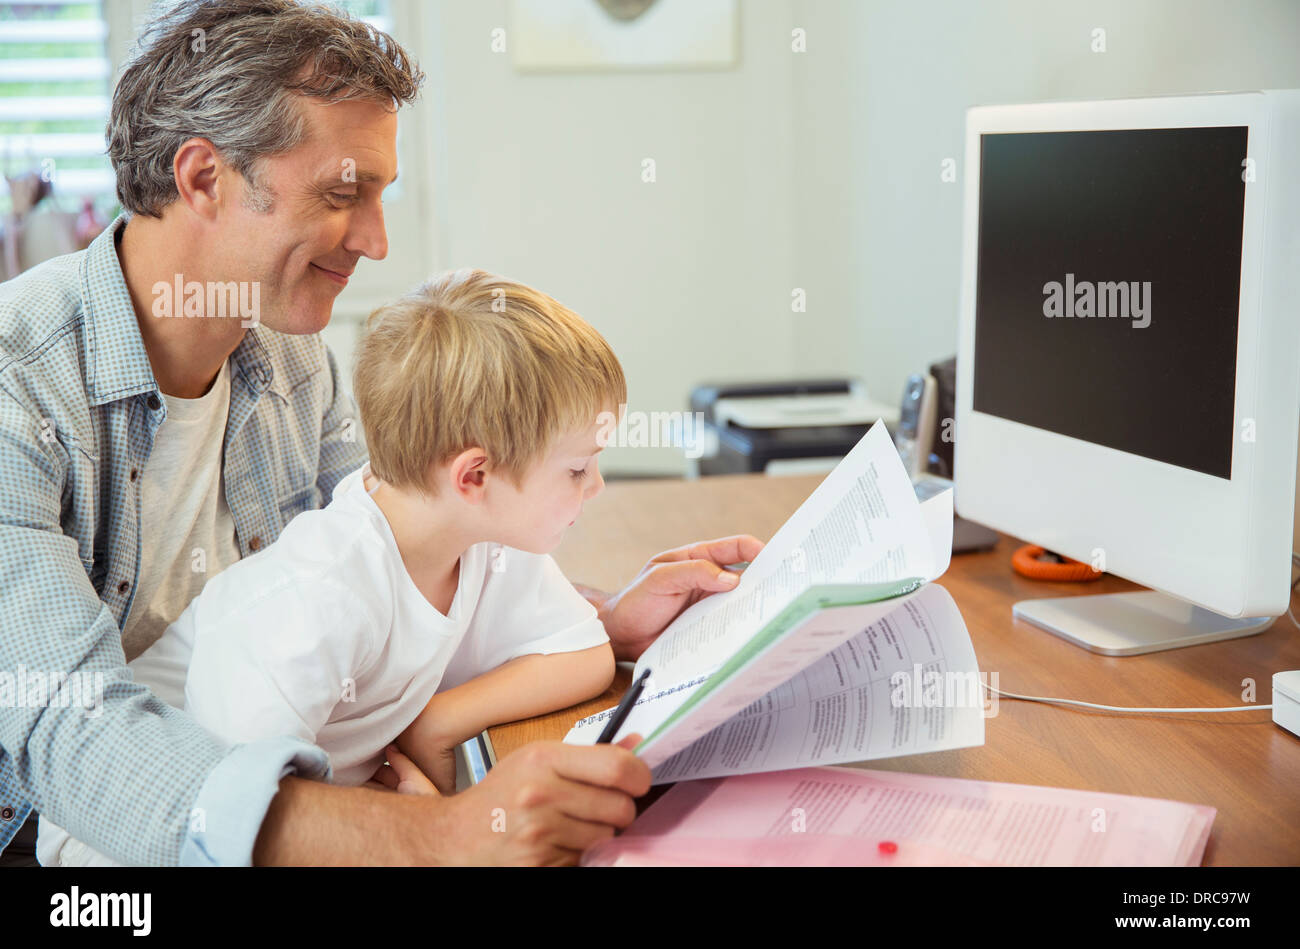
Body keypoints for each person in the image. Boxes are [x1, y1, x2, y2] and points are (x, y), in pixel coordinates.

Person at [0, 0, 763, 867]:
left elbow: (406, 553)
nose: (377, 240)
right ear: (203, 177)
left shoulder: (292, 361)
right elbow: (70, 735)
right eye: (341, 193)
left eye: (381, 196)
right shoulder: (16, 389)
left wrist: (602, 619)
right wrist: (438, 837)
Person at [37, 268, 636, 866]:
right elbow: (237, 814)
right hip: (135, 836)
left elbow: (582, 653)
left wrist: (437, 722)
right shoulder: (322, 593)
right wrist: (418, 828)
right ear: (474, 476)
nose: (597, 485)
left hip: (300, 807)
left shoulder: (485, 538)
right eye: (578, 468)